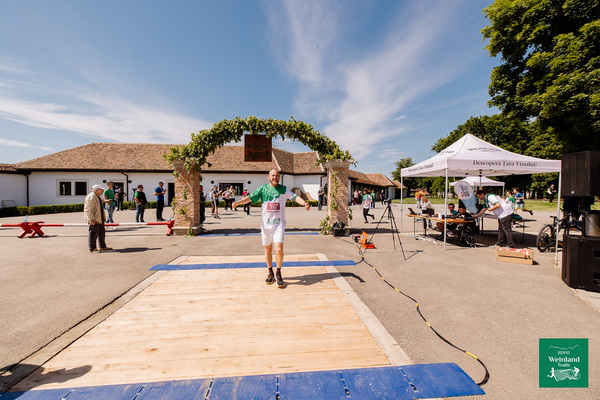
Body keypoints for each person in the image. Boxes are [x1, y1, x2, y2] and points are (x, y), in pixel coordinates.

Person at [233, 169, 310, 288]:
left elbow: (295, 197)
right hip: (266, 225)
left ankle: (278, 272)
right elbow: (250, 197)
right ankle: (270, 272)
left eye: (277, 175)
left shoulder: (283, 189)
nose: (275, 177)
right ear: (268, 177)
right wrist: (238, 202)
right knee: (268, 249)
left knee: (278, 249)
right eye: (273, 175)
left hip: (279, 224)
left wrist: (304, 203)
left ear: (279, 177)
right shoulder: (262, 189)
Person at [84, 184, 112, 253]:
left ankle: (102, 246)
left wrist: (106, 201)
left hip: (99, 218)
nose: (102, 191)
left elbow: (98, 203)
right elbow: (88, 209)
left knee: (102, 233)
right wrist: (91, 219)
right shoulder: (91, 197)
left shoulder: (96, 196)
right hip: (95, 219)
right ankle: (92, 248)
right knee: (93, 234)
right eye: (101, 190)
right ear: (96, 190)